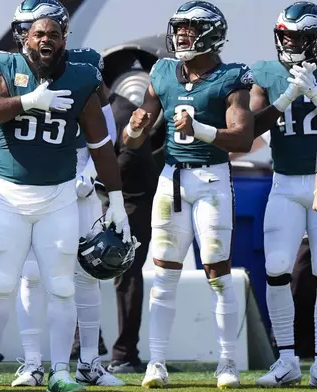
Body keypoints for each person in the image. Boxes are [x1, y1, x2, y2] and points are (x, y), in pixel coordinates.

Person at [0, 9, 132, 392]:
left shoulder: (82, 73)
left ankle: (61, 370)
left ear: (64, 38)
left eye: (54, 34)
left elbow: (101, 142)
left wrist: (118, 199)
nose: (46, 39)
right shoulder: (5, 67)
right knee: (4, 282)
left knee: (62, 286)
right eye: (38, 33)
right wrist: (29, 101)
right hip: (11, 195)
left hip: (60, 193)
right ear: (25, 37)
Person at [122, 1, 255, 388]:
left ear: (212, 34)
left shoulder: (232, 76)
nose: (181, 35)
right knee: (163, 274)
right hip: (171, 180)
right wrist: (134, 128)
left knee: (217, 273)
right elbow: (136, 136)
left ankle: (227, 363)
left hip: (212, 179)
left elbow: (243, 138)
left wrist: (200, 130)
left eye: (190, 28)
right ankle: (156, 363)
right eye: (178, 27)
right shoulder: (162, 70)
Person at [248, 1, 317, 387]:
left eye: (297, 38)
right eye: (285, 37)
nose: (289, 44)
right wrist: (284, 99)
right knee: (276, 269)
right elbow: (249, 132)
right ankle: (287, 359)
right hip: (285, 181)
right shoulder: (268, 73)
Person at [102, 83, 158, 375]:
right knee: (76, 269)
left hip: (131, 202)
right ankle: (82, 344)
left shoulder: (121, 110)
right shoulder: (94, 108)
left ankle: (126, 353)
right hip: (102, 198)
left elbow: (129, 157)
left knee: (126, 272)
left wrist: (94, 181)